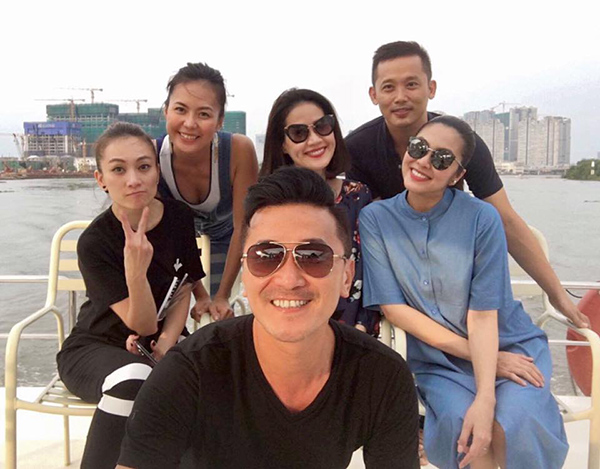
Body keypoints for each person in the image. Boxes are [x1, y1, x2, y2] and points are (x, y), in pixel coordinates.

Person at [117, 167, 420, 469]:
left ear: (347, 276)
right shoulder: (189, 372)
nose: (289, 279)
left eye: (314, 256)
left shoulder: (382, 377)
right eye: (266, 256)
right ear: (245, 274)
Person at [360, 116, 568, 469]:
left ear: (457, 175)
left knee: (516, 422)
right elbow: (394, 309)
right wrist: (485, 360)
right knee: (463, 429)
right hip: (440, 359)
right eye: (419, 148)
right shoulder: (375, 219)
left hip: (508, 344)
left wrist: (486, 396)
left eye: (442, 159)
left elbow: (483, 315)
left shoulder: (482, 218)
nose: (424, 162)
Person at [346, 40, 589, 329]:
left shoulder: (462, 143)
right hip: (398, 280)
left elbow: (505, 220)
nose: (400, 97)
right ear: (374, 94)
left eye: (411, 84)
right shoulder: (358, 149)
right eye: (388, 87)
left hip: (455, 279)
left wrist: (557, 295)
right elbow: (364, 227)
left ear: (431, 88)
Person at [56, 122, 207, 469]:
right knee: (135, 379)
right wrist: (136, 271)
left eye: (143, 166)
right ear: (101, 179)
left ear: (157, 170)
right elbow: (141, 324)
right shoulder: (95, 242)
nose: (134, 180)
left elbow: (183, 288)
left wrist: (167, 342)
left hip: (158, 346)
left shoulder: (179, 217)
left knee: (202, 381)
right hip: (95, 348)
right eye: (119, 170)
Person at [260, 88, 379, 335]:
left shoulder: (357, 195)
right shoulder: (271, 204)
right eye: (299, 133)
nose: (314, 140)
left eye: (322, 126)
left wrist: (364, 324)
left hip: (353, 332)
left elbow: (371, 267)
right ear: (282, 144)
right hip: (292, 324)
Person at [157, 62, 259, 320]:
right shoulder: (153, 158)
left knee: (220, 317)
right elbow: (167, 235)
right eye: (180, 109)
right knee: (168, 310)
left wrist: (221, 296)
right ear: (166, 111)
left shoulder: (238, 151)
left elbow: (243, 226)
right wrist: (199, 294)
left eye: (203, 114)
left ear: (219, 121)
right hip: (177, 246)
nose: (190, 124)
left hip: (228, 239)